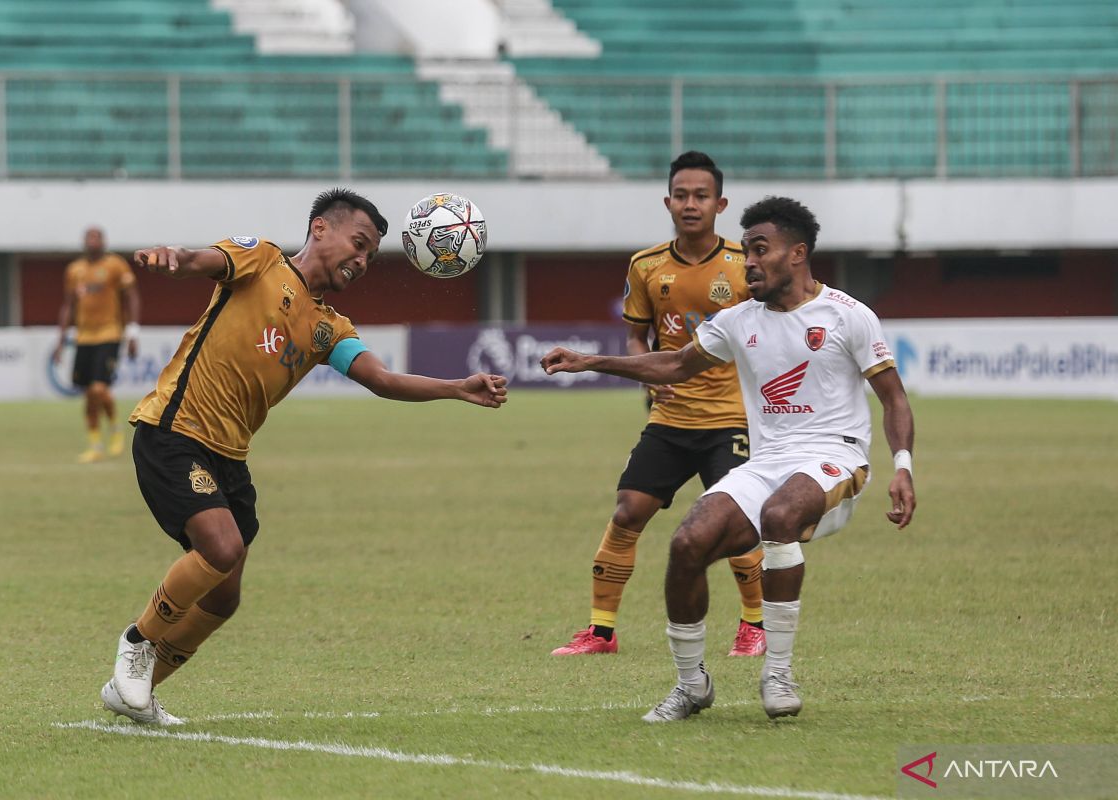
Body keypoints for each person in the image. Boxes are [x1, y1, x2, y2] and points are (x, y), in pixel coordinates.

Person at [101, 188, 508, 725]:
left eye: (370, 255)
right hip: (173, 429)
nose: (361, 261)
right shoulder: (262, 260)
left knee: (224, 598)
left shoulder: (327, 326)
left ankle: (135, 692)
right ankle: (137, 641)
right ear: (320, 228)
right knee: (220, 547)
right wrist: (174, 258)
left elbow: (382, 380)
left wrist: (458, 386)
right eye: (357, 243)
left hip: (229, 457)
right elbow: (204, 260)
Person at [541, 196, 916, 722]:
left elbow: (894, 398)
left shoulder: (849, 316)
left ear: (798, 254)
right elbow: (674, 364)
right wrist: (591, 361)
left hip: (836, 454)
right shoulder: (738, 320)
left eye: (761, 251)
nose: (750, 264)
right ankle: (692, 685)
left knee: (780, 517)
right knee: (688, 544)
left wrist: (903, 466)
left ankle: (778, 671)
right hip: (769, 461)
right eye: (747, 254)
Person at [551, 151, 766, 658]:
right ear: (668, 202)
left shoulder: (744, 267)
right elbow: (635, 339)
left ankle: (754, 625)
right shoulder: (646, 265)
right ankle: (601, 633)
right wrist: (649, 380)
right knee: (628, 511)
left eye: (702, 196)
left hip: (730, 418)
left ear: (721, 203)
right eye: (682, 195)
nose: (691, 205)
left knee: (735, 522)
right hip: (670, 418)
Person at [53, 227, 141, 463]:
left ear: (103, 241)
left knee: (99, 389)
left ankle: (114, 429)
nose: (92, 241)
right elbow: (68, 306)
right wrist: (60, 342)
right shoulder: (74, 270)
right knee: (88, 395)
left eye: (96, 237)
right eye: (88, 238)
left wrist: (132, 332)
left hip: (110, 333)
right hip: (83, 338)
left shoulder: (115, 265)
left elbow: (131, 296)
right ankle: (94, 444)